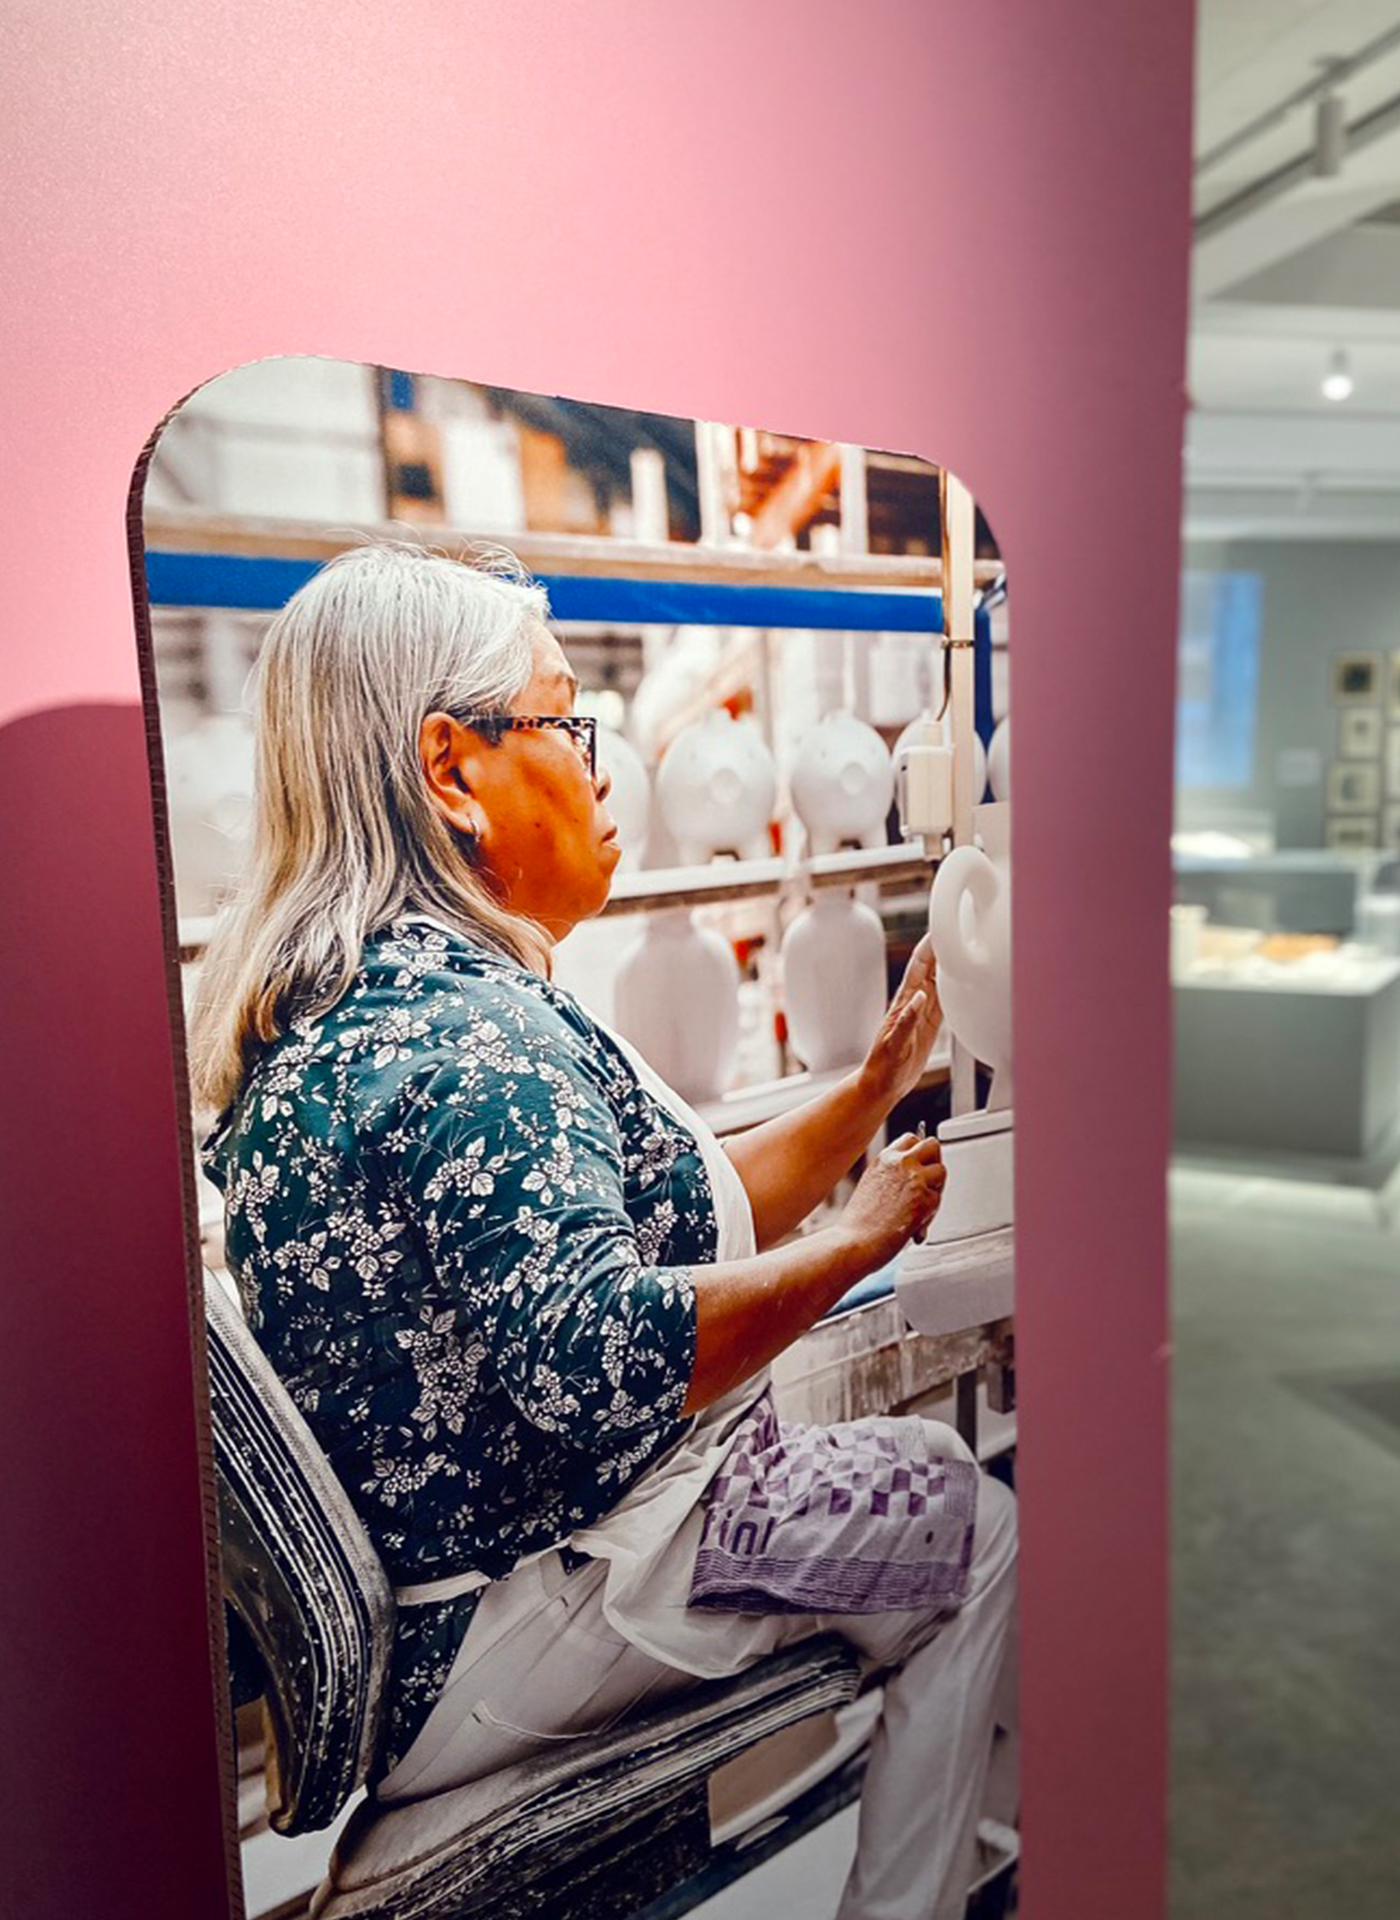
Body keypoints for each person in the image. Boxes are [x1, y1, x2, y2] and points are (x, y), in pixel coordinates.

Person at [194, 541, 1016, 1920]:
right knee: (974, 1526)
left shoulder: (370, 1004)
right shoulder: (476, 1044)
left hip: (480, 1602)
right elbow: (608, 1360)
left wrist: (874, 1087)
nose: (593, 763)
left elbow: (689, 1207)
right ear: (453, 771)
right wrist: (865, 1240)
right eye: (567, 720)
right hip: (544, 1600)